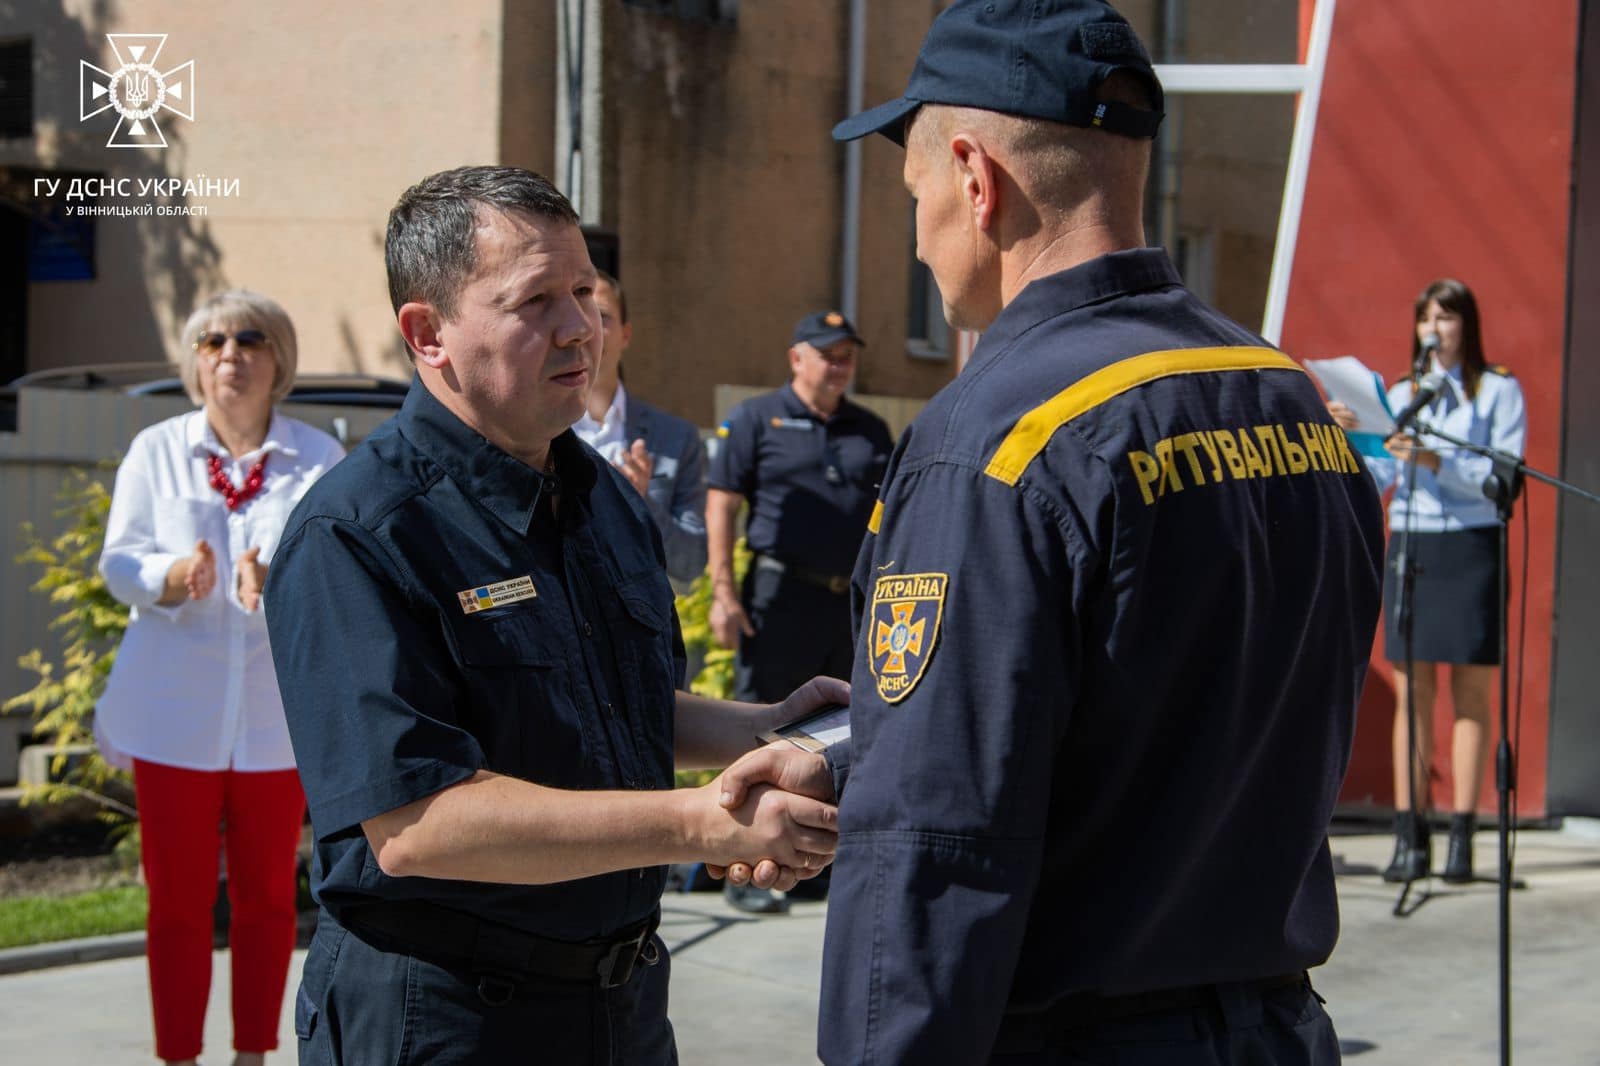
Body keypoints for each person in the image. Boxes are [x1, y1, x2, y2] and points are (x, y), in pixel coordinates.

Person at [717, 1, 1386, 1060]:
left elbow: (935, 844)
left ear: (976, 179)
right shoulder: (1284, 396)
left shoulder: (994, 438)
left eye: (917, 195)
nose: (922, 235)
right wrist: (850, 753)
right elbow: (1154, 707)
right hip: (1273, 1026)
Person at [263, 165, 841, 1066]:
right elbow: (417, 823)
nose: (582, 327)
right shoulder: (360, 531)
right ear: (429, 334)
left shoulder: (603, 498)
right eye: (536, 300)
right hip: (448, 1020)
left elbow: (619, 711)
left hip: (620, 1006)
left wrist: (763, 728)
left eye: (583, 292)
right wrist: (702, 822)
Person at [95, 289, 344, 1066]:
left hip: (274, 719)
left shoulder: (320, 458)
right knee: (175, 902)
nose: (229, 354)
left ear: (279, 361)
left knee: (270, 900)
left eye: (248, 340)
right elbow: (119, 560)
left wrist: (278, 577)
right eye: (211, 343)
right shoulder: (157, 449)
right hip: (175, 716)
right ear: (196, 364)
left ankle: (251, 1055)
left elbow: (340, 569)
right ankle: (178, 1056)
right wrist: (172, 574)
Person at [1328, 278, 1526, 884]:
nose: (1432, 329)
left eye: (1444, 317)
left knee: (1470, 694)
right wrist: (1353, 435)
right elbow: (1382, 475)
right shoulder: (1404, 393)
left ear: (1466, 323)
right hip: (1413, 543)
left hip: (1470, 542)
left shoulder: (1497, 389)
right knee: (1413, 693)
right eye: (1424, 319)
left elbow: (1504, 476)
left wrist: (1438, 460)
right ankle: (1410, 839)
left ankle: (1463, 837)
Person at [704, 309, 891, 913]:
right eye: (827, 352)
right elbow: (721, 507)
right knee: (768, 730)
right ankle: (749, 869)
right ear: (796, 359)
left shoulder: (870, 429)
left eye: (847, 354)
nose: (839, 364)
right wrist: (724, 594)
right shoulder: (758, 419)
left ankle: (822, 868)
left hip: (852, 604)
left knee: (846, 733)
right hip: (780, 600)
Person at [572, 268, 708, 588]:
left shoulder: (676, 439)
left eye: (602, 315)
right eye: (579, 312)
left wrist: (641, 502)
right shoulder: (531, 433)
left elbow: (691, 563)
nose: (589, 326)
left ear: (626, 334)